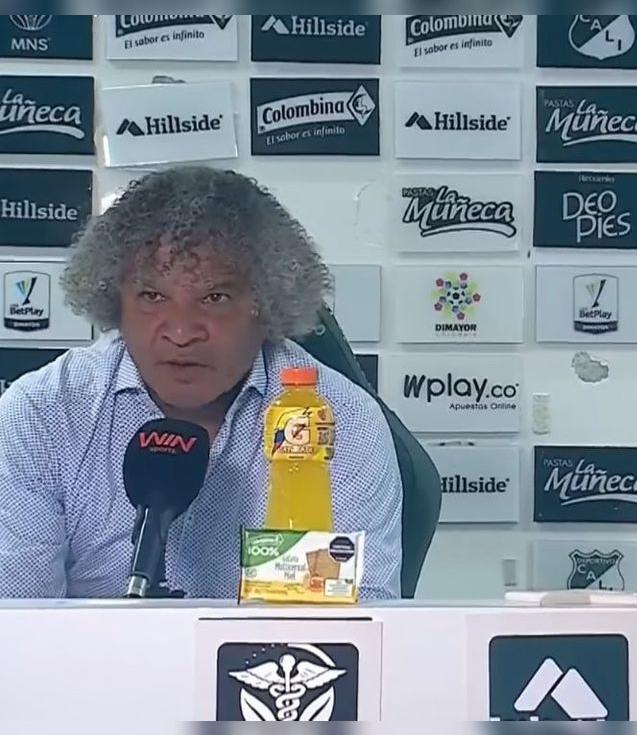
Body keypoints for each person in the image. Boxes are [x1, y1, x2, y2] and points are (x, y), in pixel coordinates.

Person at [0, 166, 403, 599]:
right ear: (115, 303)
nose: (181, 332)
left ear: (267, 305)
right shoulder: (41, 414)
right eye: (152, 297)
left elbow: (359, 623)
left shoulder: (340, 422)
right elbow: (17, 621)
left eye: (215, 298)